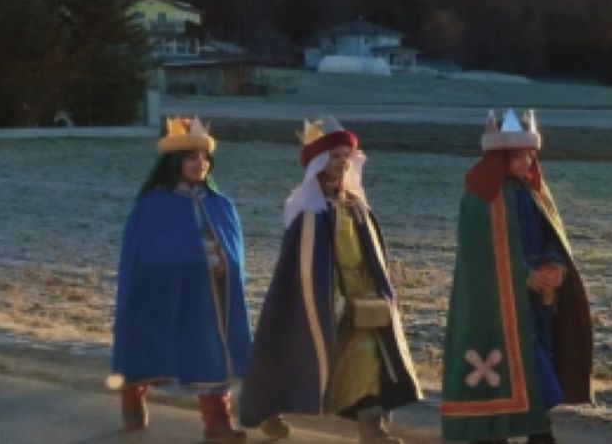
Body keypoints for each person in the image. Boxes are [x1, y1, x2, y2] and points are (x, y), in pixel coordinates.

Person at [238, 117, 421, 442]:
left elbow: (372, 254)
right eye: (334, 156)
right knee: (300, 355)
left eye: (346, 156)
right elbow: (303, 265)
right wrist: (333, 298)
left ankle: (372, 429)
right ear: (319, 162)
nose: (342, 162)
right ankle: (269, 409)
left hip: (363, 298)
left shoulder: (355, 206)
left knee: (370, 360)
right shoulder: (308, 210)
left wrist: (381, 291)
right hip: (323, 298)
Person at [441, 109, 593, 443]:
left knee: (536, 374)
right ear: (500, 157)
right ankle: (505, 435)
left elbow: (553, 237)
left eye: (531, 155)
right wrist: (522, 275)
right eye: (519, 155)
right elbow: (479, 256)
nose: (527, 162)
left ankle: (539, 433)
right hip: (495, 304)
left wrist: (555, 266)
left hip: (533, 303)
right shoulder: (479, 199)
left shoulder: (535, 191)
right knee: (511, 374)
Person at [109, 117, 252, 442]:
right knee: (147, 343)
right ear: (175, 162)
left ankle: (218, 423)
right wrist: (188, 264)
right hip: (163, 293)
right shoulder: (152, 206)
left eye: (204, 158)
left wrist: (223, 267)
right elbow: (143, 257)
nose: (200, 163)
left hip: (211, 296)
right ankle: (132, 396)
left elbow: (234, 252)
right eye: (191, 157)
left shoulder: (221, 204)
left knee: (211, 354)